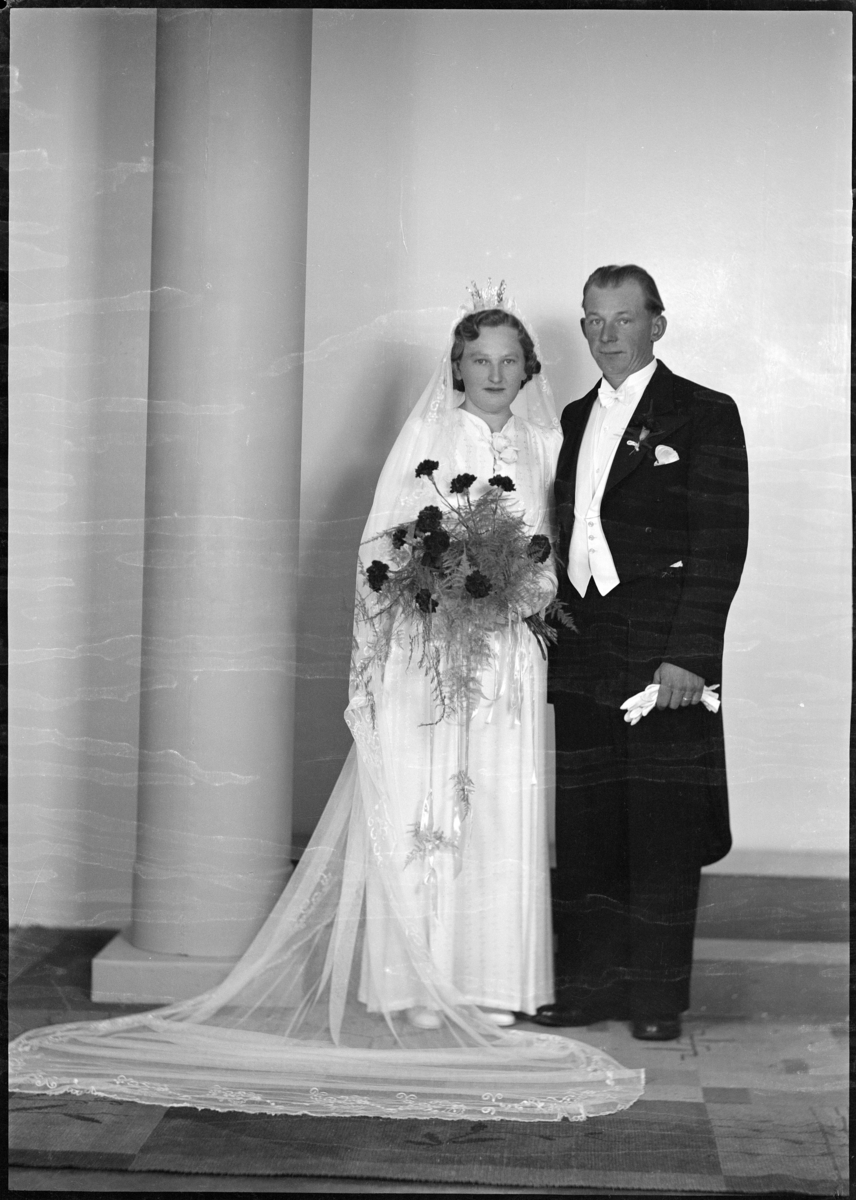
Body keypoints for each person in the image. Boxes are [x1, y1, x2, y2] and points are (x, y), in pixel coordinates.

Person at [9, 285, 643, 1121]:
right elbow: (386, 543)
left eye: (508, 361)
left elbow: (565, 545)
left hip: (508, 656)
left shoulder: (549, 441)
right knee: (423, 807)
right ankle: (415, 984)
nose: (494, 374)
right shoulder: (428, 437)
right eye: (478, 360)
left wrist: (523, 590)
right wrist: (443, 587)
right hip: (428, 649)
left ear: (529, 368)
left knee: (496, 804)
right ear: (456, 368)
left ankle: (493, 984)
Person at [536, 264, 748, 1042]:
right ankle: (588, 990)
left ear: (657, 324)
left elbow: (721, 544)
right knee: (587, 828)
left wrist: (689, 655)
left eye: (623, 319)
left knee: (662, 829)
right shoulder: (570, 418)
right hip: (585, 650)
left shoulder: (704, 413)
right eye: (593, 320)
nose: (606, 334)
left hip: (664, 654)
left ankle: (656, 1001)